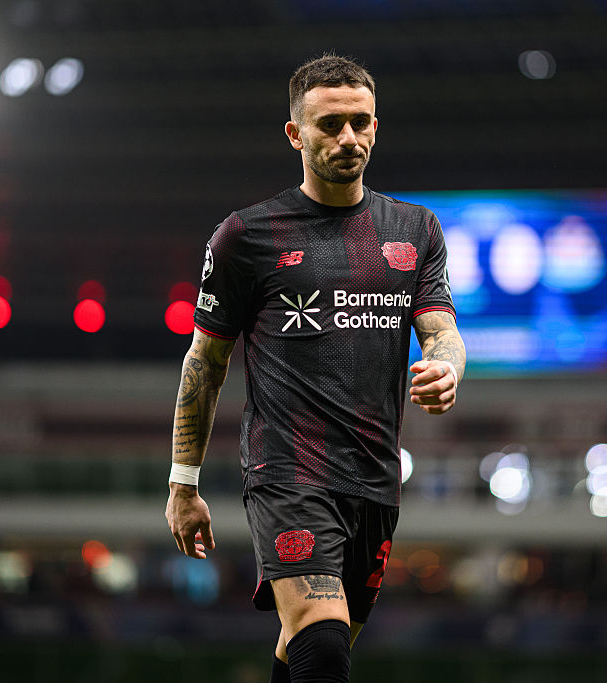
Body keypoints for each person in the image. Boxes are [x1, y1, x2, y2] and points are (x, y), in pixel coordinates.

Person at [165, 54, 466, 683]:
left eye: (361, 122)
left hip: (375, 479)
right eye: (330, 125)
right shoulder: (246, 236)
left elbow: (443, 334)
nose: (348, 138)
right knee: (323, 644)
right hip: (288, 473)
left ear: (376, 126)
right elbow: (206, 362)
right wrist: (182, 485)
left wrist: (446, 368)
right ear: (295, 134)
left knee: (311, 648)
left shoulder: (416, 229)